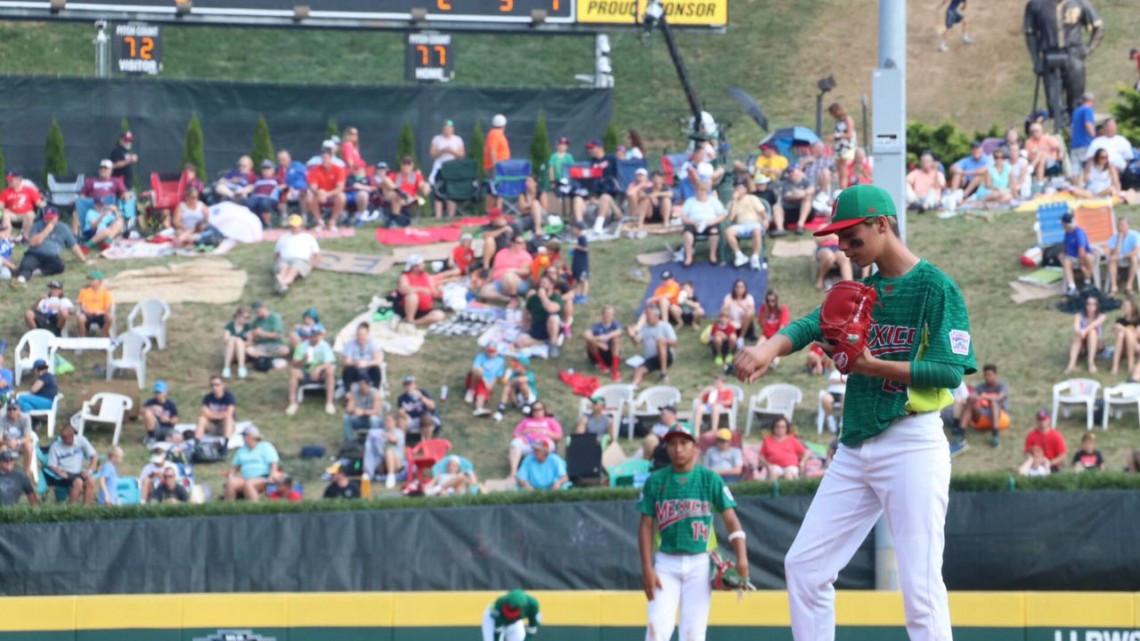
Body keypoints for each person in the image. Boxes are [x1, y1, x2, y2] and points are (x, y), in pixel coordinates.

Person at [734, 184, 976, 641]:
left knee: (920, 588)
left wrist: (870, 364)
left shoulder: (935, 287)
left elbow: (948, 371)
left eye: (852, 237)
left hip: (912, 443)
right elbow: (811, 322)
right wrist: (769, 348)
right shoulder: (861, 290)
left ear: (882, 224)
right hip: (856, 445)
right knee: (805, 567)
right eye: (839, 239)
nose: (843, 247)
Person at [639, 421, 747, 641]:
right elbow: (645, 525)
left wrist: (742, 559)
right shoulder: (655, 481)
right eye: (672, 444)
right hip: (665, 564)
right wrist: (647, 567)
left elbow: (731, 521)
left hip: (700, 562)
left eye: (683, 443)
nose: (677, 448)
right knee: (656, 629)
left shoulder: (710, 479)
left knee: (693, 634)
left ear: (695, 447)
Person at [15, 207, 88, 284]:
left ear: (57, 217)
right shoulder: (37, 225)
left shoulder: (64, 228)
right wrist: (47, 230)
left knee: (59, 266)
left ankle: (35, 272)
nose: (49, 220)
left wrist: (84, 260)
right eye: (47, 218)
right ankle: (21, 279)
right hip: (35, 253)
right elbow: (33, 243)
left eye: (51, 218)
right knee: (27, 263)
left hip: (51, 256)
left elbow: (74, 246)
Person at [285, 324, 337, 416]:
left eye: (316, 335)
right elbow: (295, 364)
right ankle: (292, 403)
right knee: (294, 372)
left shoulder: (324, 346)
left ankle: (329, 403)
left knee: (330, 371)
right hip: (306, 372)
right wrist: (303, 359)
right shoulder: (301, 346)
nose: (314, 337)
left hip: (321, 373)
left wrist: (319, 368)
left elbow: (329, 362)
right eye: (312, 335)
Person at [224, 426, 282, 502]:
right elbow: (235, 466)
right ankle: (228, 508)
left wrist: (272, 475)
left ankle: (254, 508)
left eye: (245, 436)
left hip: (263, 478)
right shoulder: (241, 450)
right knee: (231, 483)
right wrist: (231, 475)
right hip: (246, 478)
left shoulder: (265, 446)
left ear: (252, 436)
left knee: (249, 484)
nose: (243, 438)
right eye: (243, 436)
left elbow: (274, 463)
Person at [46, 423, 98, 505]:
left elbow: (94, 456)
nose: (63, 439)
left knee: (90, 481)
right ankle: (70, 508)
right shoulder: (55, 447)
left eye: (65, 437)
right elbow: (51, 465)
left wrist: (90, 472)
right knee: (78, 482)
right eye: (62, 437)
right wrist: (59, 472)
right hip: (64, 474)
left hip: (78, 472)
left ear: (72, 435)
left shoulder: (81, 441)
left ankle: (87, 508)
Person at [508, 401, 563, 478]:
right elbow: (515, 434)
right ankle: (513, 472)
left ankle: (543, 473)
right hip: (528, 443)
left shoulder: (550, 421)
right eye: (535, 410)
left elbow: (559, 436)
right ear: (532, 411)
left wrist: (546, 432)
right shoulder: (526, 421)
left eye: (540, 409)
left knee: (544, 445)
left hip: (544, 442)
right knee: (515, 443)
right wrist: (524, 433)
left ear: (544, 410)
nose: (537, 412)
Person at [679, 180, 727, 267]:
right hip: (693, 223)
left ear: (706, 191)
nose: (700, 192)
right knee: (687, 234)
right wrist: (693, 222)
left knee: (714, 232)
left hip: (709, 222)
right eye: (698, 190)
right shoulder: (690, 201)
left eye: (702, 190)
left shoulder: (713, 201)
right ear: (695, 191)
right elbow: (683, 217)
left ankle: (712, 255)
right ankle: (689, 257)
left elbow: (722, 215)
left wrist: (712, 221)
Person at [515, 276, 563, 357]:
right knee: (519, 342)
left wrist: (543, 297)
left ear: (551, 285)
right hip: (537, 328)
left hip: (552, 327)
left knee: (553, 318)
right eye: (540, 283)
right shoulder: (533, 298)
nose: (541, 286)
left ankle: (553, 344)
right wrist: (525, 327)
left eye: (544, 283)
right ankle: (544, 342)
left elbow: (551, 309)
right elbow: (525, 313)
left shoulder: (556, 297)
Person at [963, 364, 1010, 447]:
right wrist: (972, 396)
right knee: (970, 403)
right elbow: (972, 397)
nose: (987, 377)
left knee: (993, 403)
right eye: (985, 375)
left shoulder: (1002, 386)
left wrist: (983, 396)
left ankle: (995, 434)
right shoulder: (979, 387)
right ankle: (960, 432)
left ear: (995, 375)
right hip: (982, 417)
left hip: (1000, 419)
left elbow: (999, 397)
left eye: (990, 375)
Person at [725, 178, 768, 269]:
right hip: (740, 225)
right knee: (728, 232)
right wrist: (734, 201)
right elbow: (731, 218)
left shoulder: (752, 198)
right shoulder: (732, 202)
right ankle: (739, 255)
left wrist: (765, 220)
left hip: (753, 223)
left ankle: (755, 257)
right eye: (736, 188)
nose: (738, 190)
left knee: (756, 231)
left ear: (745, 189)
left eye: (741, 188)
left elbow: (762, 212)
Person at [274, 214, 320, 295]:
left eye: (294, 226)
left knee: (293, 270)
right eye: (291, 226)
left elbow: (317, 254)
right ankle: (282, 284)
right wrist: (276, 261)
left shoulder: (308, 237)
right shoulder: (283, 237)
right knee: (282, 268)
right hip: (285, 259)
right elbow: (277, 253)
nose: (292, 228)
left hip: (300, 259)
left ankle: (282, 283)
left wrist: (312, 266)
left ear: (301, 226)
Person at [631, 307, 677, 386]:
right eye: (647, 315)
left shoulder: (665, 326)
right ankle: (632, 387)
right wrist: (632, 335)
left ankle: (663, 373)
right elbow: (636, 342)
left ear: (656, 316)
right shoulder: (644, 327)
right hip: (651, 359)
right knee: (639, 370)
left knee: (660, 342)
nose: (647, 317)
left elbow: (674, 343)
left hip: (666, 356)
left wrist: (664, 341)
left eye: (649, 315)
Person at [395, 255, 445, 326]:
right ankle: (409, 319)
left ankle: (415, 322)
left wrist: (437, 294)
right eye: (421, 264)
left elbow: (432, 291)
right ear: (415, 267)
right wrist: (420, 289)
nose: (423, 265)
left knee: (440, 315)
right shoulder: (405, 277)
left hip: (425, 310)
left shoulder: (426, 276)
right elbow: (403, 289)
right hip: (409, 308)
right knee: (412, 296)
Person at [304, 147, 347, 231]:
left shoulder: (339, 169)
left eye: (326, 158)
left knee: (342, 197)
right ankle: (319, 222)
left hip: (332, 194)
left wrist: (327, 194)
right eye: (323, 158)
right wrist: (319, 192)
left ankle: (332, 222)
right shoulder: (315, 170)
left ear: (331, 158)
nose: (325, 160)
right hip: (319, 195)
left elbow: (340, 188)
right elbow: (313, 187)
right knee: (309, 197)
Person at [1065, 295, 1106, 374]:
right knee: (1078, 335)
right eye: (1088, 304)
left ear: (1097, 306)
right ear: (1085, 305)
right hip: (1082, 344)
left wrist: (1084, 331)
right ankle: (1071, 365)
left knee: (1092, 332)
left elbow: (1094, 324)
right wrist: (1080, 332)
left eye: (1094, 304)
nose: (1091, 306)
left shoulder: (1101, 316)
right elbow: (1076, 326)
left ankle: (1091, 363)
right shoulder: (1079, 315)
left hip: (1096, 344)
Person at [364, 414, 406, 489]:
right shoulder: (380, 432)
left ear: (394, 422)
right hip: (382, 462)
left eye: (389, 420)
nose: (388, 423)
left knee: (389, 449)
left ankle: (391, 476)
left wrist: (384, 435)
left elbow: (393, 439)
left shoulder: (399, 432)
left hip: (397, 463)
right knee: (370, 446)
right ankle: (368, 472)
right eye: (386, 421)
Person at [466, 343, 507, 418]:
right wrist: (485, 381)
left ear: (497, 351)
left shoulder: (500, 361)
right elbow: (475, 369)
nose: (491, 353)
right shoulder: (480, 356)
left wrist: (490, 385)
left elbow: (496, 376)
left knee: (482, 391)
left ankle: (479, 408)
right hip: (475, 378)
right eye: (489, 351)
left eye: (493, 351)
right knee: (479, 371)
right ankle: (471, 390)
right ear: (486, 350)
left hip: (487, 381)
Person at [0, 169, 45, 237]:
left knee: (30, 215)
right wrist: (3, 209)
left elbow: (38, 202)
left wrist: (43, 204)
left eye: (11, 180)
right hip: (12, 213)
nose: (9, 182)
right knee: (5, 214)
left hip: (26, 212)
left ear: (19, 180)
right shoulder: (6, 192)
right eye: (9, 180)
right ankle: (6, 236)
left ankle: (26, 237)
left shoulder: (29, 190)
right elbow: (1, 204)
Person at [396, 375, 439, 444]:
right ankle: (401, 445)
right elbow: (400, 411)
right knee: (401, 421)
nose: (408, 386)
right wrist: (403, 414)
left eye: (410, 384)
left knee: (426, 417)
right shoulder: (402, 398)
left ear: (415, 385)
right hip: (411, 420)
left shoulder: (423, 392)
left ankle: (426, 444)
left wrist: (421, 397)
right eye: (406, 384)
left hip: (424, 418)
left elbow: (432, 406)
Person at [341, 322, 384, 390]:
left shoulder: (373, 344)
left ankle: (376, 392)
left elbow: (378, 361)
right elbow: (346, 361)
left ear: (367, 335)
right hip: (356, 369)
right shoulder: (350, 344)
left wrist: (366, 363)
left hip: (369, 369)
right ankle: (348, 393)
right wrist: (356, 363)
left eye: (363, 335)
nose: (361, 337)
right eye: (359, 335)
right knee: (347, 370)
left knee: (376, 370)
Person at [1060, 212, 1095, 295]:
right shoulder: (1067, 234)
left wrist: (1082, 264)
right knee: (1066, 262)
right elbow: (1065, 245)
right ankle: (1072, 287)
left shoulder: (1079, 233)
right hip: (1071, 257)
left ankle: (1088, 282)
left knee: (1088, 258)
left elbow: (1081, 250)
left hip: (1082, 256)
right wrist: (1062, 253)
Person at [429, 119, 466, 196]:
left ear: (452, 129)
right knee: (438, 190)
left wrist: (451, 151)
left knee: (451, 191)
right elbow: (432, 155)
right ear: (442, 129)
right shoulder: (436, 139)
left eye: (449, 128)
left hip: (452, 166)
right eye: (445, 129)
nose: (447, 130)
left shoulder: (458, 139)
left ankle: (451, 208)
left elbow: (462, 155)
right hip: (439, 166)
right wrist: (442, 151)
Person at [1103, 217, 1139, 297]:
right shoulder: (1113, 237)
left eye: (1122, 225)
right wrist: (1120, 239)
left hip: (1131, 257)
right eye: (1118, 225)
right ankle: (1114, 286)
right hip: (1119, 259)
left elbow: (1136, 250)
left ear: (1128, 226)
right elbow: (1114, 253)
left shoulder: (1135, 235)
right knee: (1112, 260)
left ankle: (1129, 285)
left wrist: (1123, 256)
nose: (1120, 227)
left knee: (1134, 258)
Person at [585, 305, 622, 381]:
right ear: (602, 315)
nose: (609, 316)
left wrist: (606, 336)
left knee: (616, 339)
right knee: (589, 341)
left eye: (611, 314)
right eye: (607, 314)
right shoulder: (596, 326)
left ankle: (615, 370)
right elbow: (586, 334)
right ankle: (601, 364)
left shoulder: (615, 325)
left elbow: (619, 331)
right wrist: (598, 342)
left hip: (610, 352)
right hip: (598, 352)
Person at [342, 377, 383, 446]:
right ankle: (349, 444)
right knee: (346, 418)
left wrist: (364, 412)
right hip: (360, 419)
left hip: (372, 419)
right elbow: (348, 409)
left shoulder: (375, 393)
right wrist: (354, 410)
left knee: (373, 419)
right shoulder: (355, 393)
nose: (361, 387)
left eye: (363, 385)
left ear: (368, 385)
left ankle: (374, 443)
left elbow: (376, 411)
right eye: (360, 385)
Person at [195, 376, 237, 440]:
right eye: (212, 385)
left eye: (217, 385)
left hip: (224, 426)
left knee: (228, 419)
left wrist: (212, 415)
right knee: (201, 419)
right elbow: (205, 413)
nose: (214, 387)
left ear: (223, 385)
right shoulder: (207, 397)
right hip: (212, 425)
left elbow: (229, 413)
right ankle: (197, 442)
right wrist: (221, 414)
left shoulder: (229, 397)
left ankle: (225, 443)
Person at [76, 270, 114, 338]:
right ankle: (82, 338)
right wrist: (87, 312)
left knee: (110, 318)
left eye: (92, 279)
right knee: (80, 318)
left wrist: (100, 312)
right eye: (90, 279)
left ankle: (104, 336)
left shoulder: (105, 293)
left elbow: (108, 308)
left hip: (101, 314)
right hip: (88, 314)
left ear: (98, 281)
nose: (90, 281)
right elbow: (82, 306)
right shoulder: (84, 291)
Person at [829, 103, 857, 189]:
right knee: (840, 171)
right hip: (839, 148)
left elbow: (850, 134)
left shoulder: (847, 119)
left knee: (844, 169)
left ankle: (843, 188)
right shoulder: (838, 121)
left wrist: (836, 136)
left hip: (847, 147)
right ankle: (841, 187)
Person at [1, 399, 34, 473]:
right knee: (1, 447)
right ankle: (3, 472)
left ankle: (26, 473)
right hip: (7, 444)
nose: (11, 411)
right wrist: (7, 443)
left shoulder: (25, 418)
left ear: (19, 409)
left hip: (20, 444)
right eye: (9, 409)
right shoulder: (2, 419)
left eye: (14, 408)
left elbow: (28, 437)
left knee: (28, 446)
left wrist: (17, 442)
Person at [247, 160, 282, 226]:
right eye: (264, 169)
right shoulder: (257, 179)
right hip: (256, 197)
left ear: (273, 170)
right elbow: (251, 187)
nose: (266, 171)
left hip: (270, 198)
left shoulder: (277, 179)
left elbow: (284, 186)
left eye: (268, 168)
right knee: (249, 203)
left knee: (263, 203)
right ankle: (252, 223)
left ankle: (268, 224)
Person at [222, 307, 252, 379]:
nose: (247, 320)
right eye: (245, 317)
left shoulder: (247, 327)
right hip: (231, 351)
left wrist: (240, 343)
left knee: (238, 341)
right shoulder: (230, 326)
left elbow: (250, 341)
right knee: (232, 339)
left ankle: (241, 367)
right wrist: (234, 340)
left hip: (242, 351)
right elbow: (225, 340)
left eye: (248, 318)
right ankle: (226, 368)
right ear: (238, 316)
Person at [1114, 298, 1140, 376]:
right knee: (1121, 334)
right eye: (1123, 306)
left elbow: (1137, 334)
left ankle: (1130, 365)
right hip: (1123, 348)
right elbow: (1117, 336)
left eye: (1125, 306)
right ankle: (1115, 366)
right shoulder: (1119, 320)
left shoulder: (1138, 319)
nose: (1123, 307)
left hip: (1136, 346)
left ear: (1132, 308)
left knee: (1127, 334)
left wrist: (1122, 328)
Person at [1070, 92, 1097, 169]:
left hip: (1075, 145)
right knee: (1088, 168)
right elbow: (1088, 124)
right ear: (1091, 100)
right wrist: (1094, 137)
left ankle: (1076, 181)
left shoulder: (1076, 111)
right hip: (1085, 143)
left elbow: (1072, 127)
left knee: (1076, 170)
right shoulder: (1088, 110)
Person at [108, 131, 138, 195]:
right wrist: (130, 160)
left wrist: (132, 159)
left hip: (126, 184)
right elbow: (114, 165)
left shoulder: (126, 151)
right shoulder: (117, 150)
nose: (128, 142)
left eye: (130, 140)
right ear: (121, 140)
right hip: (119, 183)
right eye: (126, 140)